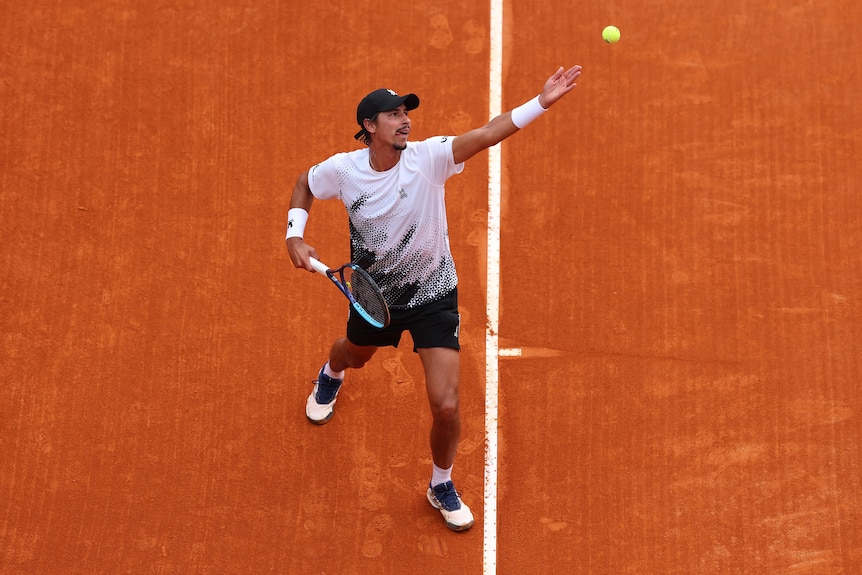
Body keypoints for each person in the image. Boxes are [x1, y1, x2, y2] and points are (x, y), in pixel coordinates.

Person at [285, 65, 582, 532]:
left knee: (446, 404)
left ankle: (440, 483)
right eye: (393, 114)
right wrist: (294, 236)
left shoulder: (429, 157)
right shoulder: (343, 171)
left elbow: (485, 135)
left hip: (433, 297)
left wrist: (540, 102)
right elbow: (304, 183)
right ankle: (332, 371)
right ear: (369, 126)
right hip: (374, 295)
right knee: (354, 354)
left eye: (406, 112)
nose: (405, 120)